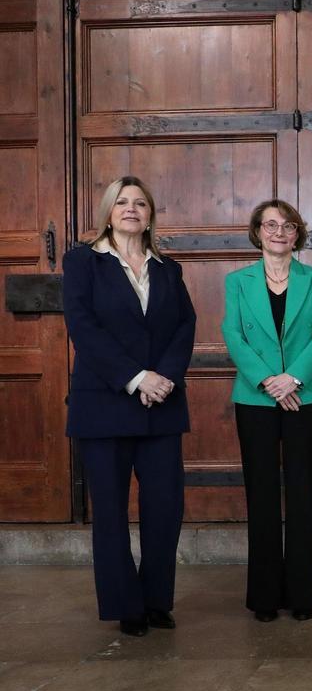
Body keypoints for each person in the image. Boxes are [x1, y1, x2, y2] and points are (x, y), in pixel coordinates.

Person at [63, 176, 196, 637]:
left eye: (140, 203)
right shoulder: (83, 262)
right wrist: (136, 378)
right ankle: (126, 605)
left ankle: (158, 600)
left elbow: (185, 327)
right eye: (122, 202)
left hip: (161, 405)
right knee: (112, 511)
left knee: (165, 509)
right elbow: (84, 329)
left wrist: (164, 379)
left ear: (151, 213)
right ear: (108, 210)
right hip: (103, 407)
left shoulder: (167, 268)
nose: (131, 209)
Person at [222, 200, 312, 622]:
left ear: (297, 233)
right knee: (263, 494)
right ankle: (265, 596)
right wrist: (269, 381)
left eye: (287, 225)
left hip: (306, 395)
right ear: (257, 232)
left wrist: (294, 379)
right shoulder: (237, 282)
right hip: (256, 398)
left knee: (304, 494)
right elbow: (232, 334)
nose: (279, 232)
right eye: (270, 225)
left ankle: (304, 595)